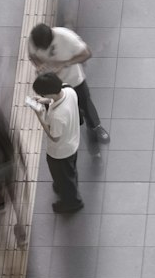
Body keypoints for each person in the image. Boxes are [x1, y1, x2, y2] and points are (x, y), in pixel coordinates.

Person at [28, 21, 111, 145]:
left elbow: (87, 53)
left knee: (85, 104)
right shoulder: (33, 40)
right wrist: (40, 65)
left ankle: (95, 128)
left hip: (73, 79)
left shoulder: (67, 37)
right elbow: (32, 56)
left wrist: (65, 63)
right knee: (60, 110)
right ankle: (72, 129)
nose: (42, 51)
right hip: (52, 85)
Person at [29, 70, 83, 213]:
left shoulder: (58, 116)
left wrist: (40, 116)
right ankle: (66, 183)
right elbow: (56, 98)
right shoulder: (69, 91)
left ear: (49, 93)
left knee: (64, 177)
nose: (42, 96)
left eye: (43, 94)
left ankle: (72, 202)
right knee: (69, 171)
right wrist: (46, 101)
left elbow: (54, 137)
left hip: (60, 153)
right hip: (73, 142)